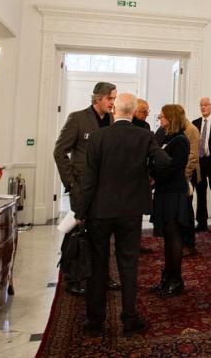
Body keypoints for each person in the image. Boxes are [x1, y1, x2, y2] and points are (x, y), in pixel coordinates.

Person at [76, 92, 172, 337]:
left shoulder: (98, 136)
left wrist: (80, 212)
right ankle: (129, 318)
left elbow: (89, 179)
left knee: (98, 265)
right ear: (133, 112)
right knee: (128, 264)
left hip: (100, 210)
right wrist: (148, 176)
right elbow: (164, 161)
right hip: (130, 210)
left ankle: (95, 321)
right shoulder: (145, 136)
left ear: (114, 110)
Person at [53, 81, 119, 295]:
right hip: (81, 187)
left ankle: (101, 275)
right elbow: (59, 152)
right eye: (110, 98)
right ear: (98, 98)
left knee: (101, 233)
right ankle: (72, 277)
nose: (113, 102)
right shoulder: (77, 118)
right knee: (76, 232)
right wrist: (71, 183)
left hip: (106, 188)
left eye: (114, 98)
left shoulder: (113, 121)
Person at [151, 104, 191, 297]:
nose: (160, 119)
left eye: (162, 116)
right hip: (164, 191)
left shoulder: (180, 140)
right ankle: (167, 277)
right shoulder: (166, 137)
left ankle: (175, 280)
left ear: (171, 118)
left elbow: (172, 168)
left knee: (173, 234)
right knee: (168, 235)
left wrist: (153, 178)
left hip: (173, 192)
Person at [192, 97, 211, 233]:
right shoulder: (195, 123)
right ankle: (201, 222)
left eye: (205, 105)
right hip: (200, 163)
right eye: (201, 105)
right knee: (200, 192)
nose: (203, 107)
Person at [182, 118, 201, 256]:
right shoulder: (175, 130)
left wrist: (186, 176)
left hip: (186, 177)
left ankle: (189, 244)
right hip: (178, 178)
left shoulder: (191, 130)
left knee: (187, 210)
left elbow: (193, 156)